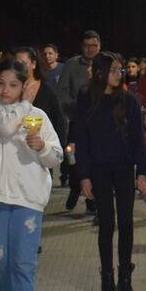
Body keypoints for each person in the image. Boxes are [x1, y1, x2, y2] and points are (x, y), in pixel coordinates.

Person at [0, 58, 62, 291]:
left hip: (28, 198)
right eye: (1, 84)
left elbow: (56, 155)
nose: (5, 90)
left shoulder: (39, 115)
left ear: (23, 85)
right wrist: (25, 104)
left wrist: (41, 147)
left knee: (23, 260)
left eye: (13, 85)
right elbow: (4, 129)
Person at [72, 53, 146, 291]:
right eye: (114, 70)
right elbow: (80, 139)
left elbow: (138, 140)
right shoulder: (86, 99)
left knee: (126, 222)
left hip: (124, 168)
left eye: (121, 70)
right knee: (106, 223)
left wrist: (143, 173)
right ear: (101, 72)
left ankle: (125, 277)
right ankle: (107, 279)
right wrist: (83, 176)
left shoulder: (129, 101)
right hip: (98, 169)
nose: (119, 74)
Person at [59, 31, 99, 213]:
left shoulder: (105, 63)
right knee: (73, 158)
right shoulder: (72, 65)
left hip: (99, 122)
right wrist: (75, 112)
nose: (90, 49)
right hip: (77, 120)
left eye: (94, 45)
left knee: (96, 161)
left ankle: (93, 200)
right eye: (86, 45)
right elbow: (63, 92)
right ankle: (75, 187)